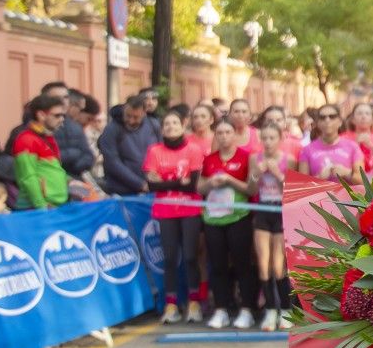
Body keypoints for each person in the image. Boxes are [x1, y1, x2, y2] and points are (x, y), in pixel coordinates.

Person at [143, 109, 206, 323]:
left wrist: (165, 181)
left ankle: (194, 302)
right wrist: (179, 182)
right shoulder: (154, 151)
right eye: (167, 124)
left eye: (174, 123)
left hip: (190, 209)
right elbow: (151, 184)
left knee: (190, 256)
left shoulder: (194, 149)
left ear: (183, 126)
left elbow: (193, 185)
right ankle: (171, 305)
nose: (170, 127)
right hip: (164, 210)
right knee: (169, 258)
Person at [200, 120, 258, 330]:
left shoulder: (246, 156)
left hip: (238, 218)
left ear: (234, 134)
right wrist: (210, 183)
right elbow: (199, 187)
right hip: (213, 219)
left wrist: (230, 180)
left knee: (243, 264)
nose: (224, 136)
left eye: (228, 132)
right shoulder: (209, 159)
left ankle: (247, 310)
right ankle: (221, 309)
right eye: (220, 133)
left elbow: (251, 189)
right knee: (217, 265)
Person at [249, 121, 293, 331]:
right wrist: (256, 174)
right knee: (263, 265)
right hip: (263, 210)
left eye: (272, 138)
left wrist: (278, 174)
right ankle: (270, 310)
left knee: (278, 266)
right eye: (264, 138)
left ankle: (285, 309)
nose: (267, 142)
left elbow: (293, 188)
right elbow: (249, 189)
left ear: (280, 139)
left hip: (281, 212)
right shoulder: (254, 159)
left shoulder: (288, 160)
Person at [12, 94, 70, 209]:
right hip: (36, 209)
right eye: (57, 115)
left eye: (63, 115)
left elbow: (51, 170)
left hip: (52, 207)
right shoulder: (26, 140)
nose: (62, 119)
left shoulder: (47, 138)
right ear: (41, 115)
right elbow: (28, 177)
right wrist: (42, 206)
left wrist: (70, 181)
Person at [99, 96, 160, 197]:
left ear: (144, 113)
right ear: (124, 109)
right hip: (121, 190)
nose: (131, 121)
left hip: (151, 188)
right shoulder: (112, 129)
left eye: (136, 117)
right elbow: (112, 162)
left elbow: (161, 152)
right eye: (128, 115)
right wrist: (140, 184)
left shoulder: (153, 125)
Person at [298, 104, 363, 184]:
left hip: (346, 196)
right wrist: (319, 177)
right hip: (319, 196)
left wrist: (347, 173)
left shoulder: (353, 147)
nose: (327, 120)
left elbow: (363, 182)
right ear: (317, 123)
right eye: (322, 117)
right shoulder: (307, 150)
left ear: (340, 122)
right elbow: (301, 187)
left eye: (332, 116)